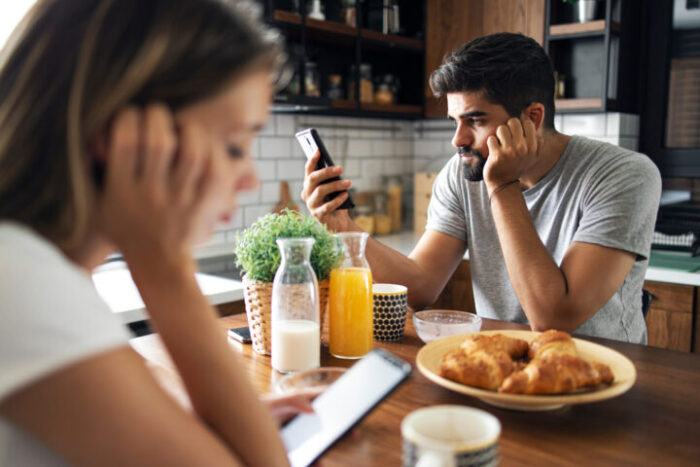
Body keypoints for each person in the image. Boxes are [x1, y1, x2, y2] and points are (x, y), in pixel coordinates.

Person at [0, 1, 315, 465]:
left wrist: (230, 418)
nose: (250, 179)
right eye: (233, 146)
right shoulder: (23, 285)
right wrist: (165, 265)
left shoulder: (39, 266)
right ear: (128, 135)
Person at [302, 33, 661, 344]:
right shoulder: (462, 174)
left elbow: (554, 319)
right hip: (501, 366)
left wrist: (503, 185)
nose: (458, 139)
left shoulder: (625, 175)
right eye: (454, 122)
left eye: (475, 120)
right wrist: (343, 227)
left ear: (532, 118)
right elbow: (422, 286)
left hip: (602, 375)